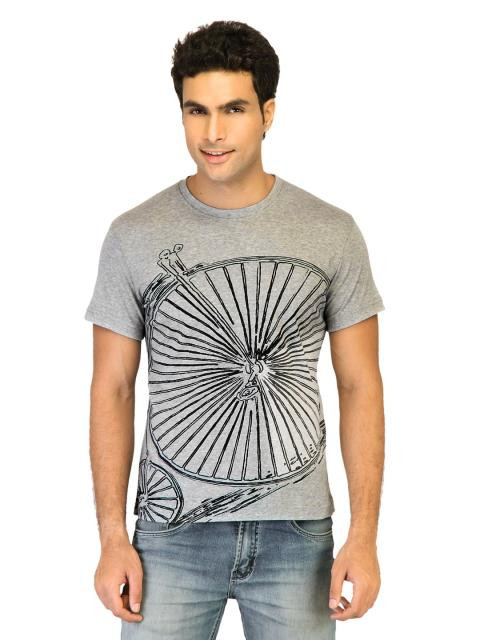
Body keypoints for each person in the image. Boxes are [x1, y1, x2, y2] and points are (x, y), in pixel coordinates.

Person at [84, 20, 385, 640]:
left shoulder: (331, 232)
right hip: (169, 537)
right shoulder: (133, 235)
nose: (212, 133)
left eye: (234, 109)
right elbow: (112, 387)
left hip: (298, 535)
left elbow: (361, 384)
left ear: (267, 113)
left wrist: (364, 536)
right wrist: (112, 536)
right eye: (196, 111)